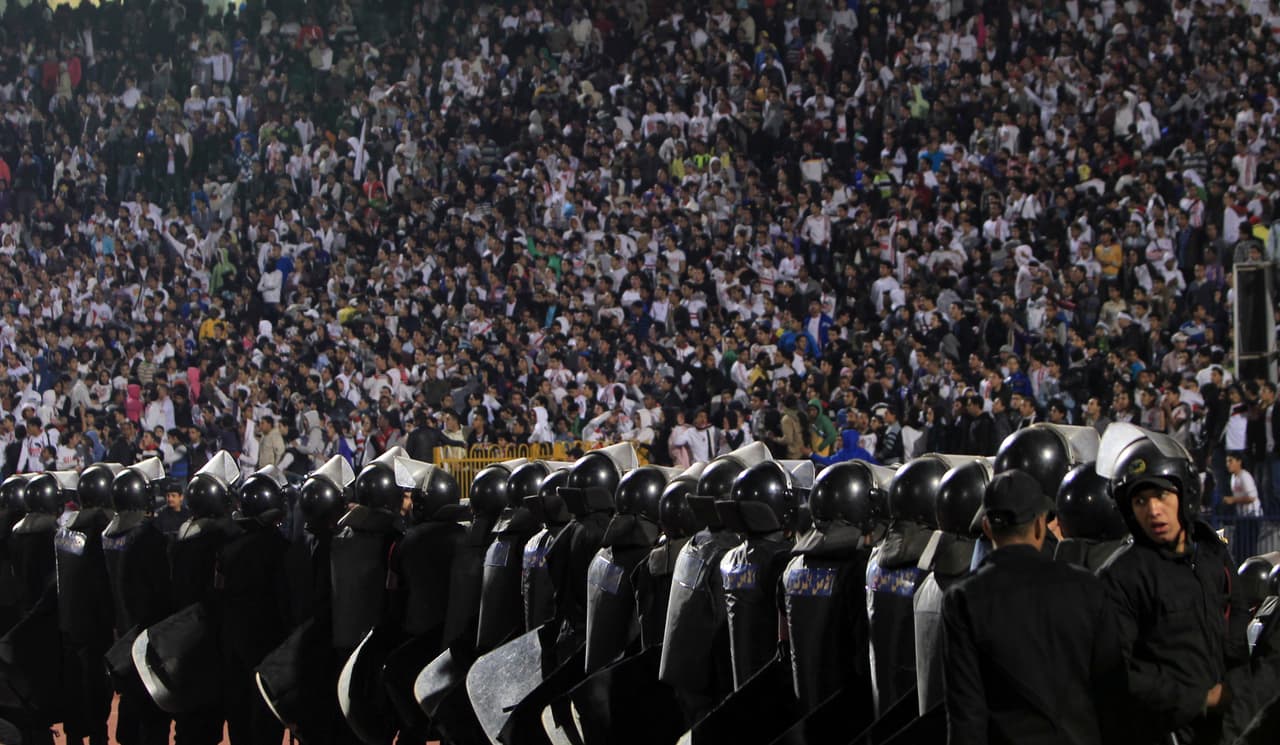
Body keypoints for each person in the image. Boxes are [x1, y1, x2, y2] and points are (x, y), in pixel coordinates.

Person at [942, 470, 1123, 745]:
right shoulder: (1087, 588)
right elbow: (1113, 696)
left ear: (988, 527)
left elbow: (966, 715)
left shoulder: (963, 599)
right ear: (1040, 525)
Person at [1100, 435, 1250, 745]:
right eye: (1140, 501)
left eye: (1161, 495)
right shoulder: (1120, 576)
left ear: (1186, 494)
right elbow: (1117, 672)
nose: (1153, 510)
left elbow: (1235, 626)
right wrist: (1200, 698)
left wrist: (1237, 690)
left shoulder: (1213, 553)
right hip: (1161, 732)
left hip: (1228, 728)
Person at [1224, 452, 1263, 559]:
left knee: (1248, 548)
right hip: (1242, 516)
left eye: (1230, 461)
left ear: (1239, 461)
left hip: (1252, 516)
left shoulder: (1245, 476)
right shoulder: (1233, 478)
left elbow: (1252, 497)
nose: (1228, 464)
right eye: (1227, 461)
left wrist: (1234, 500)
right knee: (1239, 548)